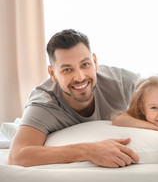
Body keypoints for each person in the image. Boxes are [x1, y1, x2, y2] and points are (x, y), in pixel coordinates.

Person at [8, 29, 140, 168]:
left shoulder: (119, 82)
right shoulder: (45, 104)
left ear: (95, 62)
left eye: (85, 64)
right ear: (53, 74)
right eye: (67, 69)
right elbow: (16, 156)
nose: (80, 77)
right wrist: (89, 151)